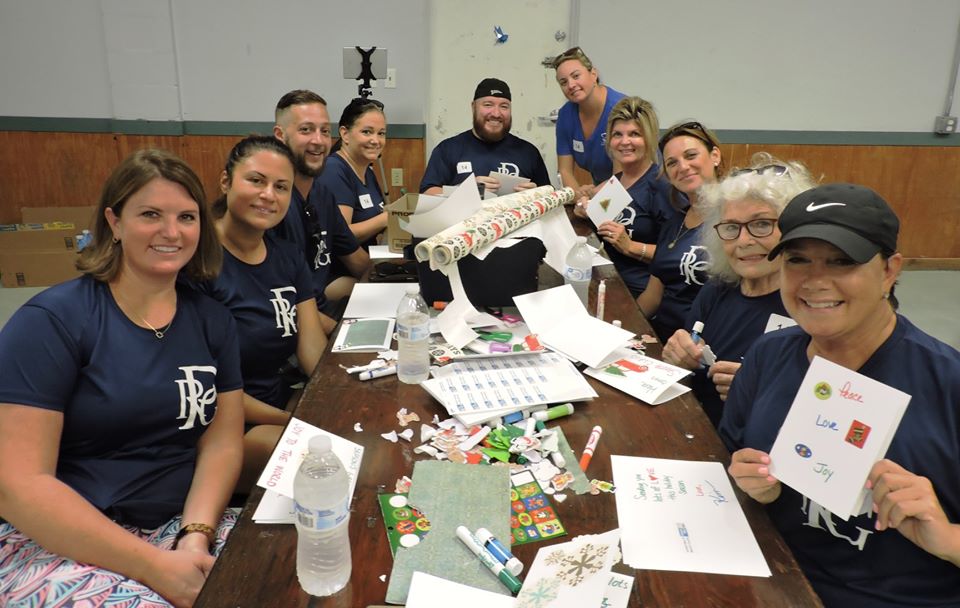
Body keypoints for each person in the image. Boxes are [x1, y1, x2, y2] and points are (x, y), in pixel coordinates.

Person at [0, 149, 244, 608]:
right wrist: (153, 567)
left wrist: (194, 537)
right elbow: (19, 484)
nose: (171, 232)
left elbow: (222, 442)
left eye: (186, 217)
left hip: (179, 522)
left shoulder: (212, 320)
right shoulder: (53, 320)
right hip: (67, 539)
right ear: (113, 222)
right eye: (150, 214)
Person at [720, 183, 960, 606]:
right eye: (798, 261)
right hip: (772, 579)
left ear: (890, 270)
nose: (814, 281)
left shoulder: (947, 383)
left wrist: (946, 538)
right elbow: (732, 457)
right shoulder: (767, 356)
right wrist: (751, 484)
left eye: (842, 261)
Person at [203, 136, 326, 491]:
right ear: (226, 182)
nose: (269, 195)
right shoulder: (200, 265)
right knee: (329, 460)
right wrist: (294, 420)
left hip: (279, 406)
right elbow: (208, 389)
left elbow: (310, 347)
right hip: (226, 424)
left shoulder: (286, 255)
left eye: (281, 187)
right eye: (256, 181)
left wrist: (329, 396)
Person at [661, 155, 815, 426]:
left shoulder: (813, 311)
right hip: (697, 430)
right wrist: (677, 357)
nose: (743, 241)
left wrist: (761, 395)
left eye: (761, 224)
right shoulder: (717, 289)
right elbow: (689, 361)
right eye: (732, 227)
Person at [271, 89, 368, 334]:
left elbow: (357, 260)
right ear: (280, 136)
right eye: (306, 130)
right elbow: (287, 308)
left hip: (323, 311)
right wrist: (342, 334)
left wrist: (402, 281)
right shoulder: (271, 206)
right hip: (293, 328)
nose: (318, 140)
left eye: (324, 131)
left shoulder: (322, 195)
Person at [572, 96, 674, 297]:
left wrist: (631, 247)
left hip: (640, 294)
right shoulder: (617, 181)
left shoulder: (661, 186)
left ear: (649, 138)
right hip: (608, 281)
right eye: (617, 134)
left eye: (634, 134)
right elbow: (601, 224)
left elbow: (676, 255)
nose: (624, 142)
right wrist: (585, 212)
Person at [637, 121, 723, 342]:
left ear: (715, 156)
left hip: (702, 347)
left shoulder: (733, 221)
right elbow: (652, 297)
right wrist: (623, 328)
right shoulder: (674, 223)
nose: (683, 167)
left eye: (691, 155)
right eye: (672, 162)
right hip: (660, 340)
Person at [419, 78, 551, 196]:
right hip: (466, 223)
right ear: (473, 107)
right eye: (488, 105)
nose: (496, 113)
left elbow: (549, 195)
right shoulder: (448, 149)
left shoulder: (528, 152)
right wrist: (463, 191)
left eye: (504, 106)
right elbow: (426, 193)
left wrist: (537, 195)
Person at [552, 47, 626, 198]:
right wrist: (580, 198)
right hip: (601, 192)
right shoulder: (566, 115)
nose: (571, 85)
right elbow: (565, 171)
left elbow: (622, 178)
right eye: (563, 82)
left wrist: (593, 197)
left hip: (636, 192)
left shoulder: (621, 111)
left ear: (593, 74)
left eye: (576, 76)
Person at [315, 97, 388, 249]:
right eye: (367, 132)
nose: (375, 140)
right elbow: (340, 234)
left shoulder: (367, 170)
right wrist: (388, 219)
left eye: (381, 133)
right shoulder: (333, 170)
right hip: (341, 270)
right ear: (345, 134)